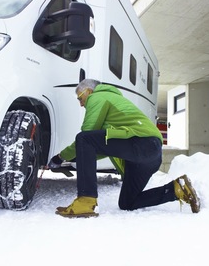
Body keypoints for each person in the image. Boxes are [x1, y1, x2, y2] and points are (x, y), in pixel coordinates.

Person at [48, 79, 200, 218]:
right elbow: (99, 147)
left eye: (80, 98)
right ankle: (177, 189)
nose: (81, 103)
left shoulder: (98, 97)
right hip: (151, 154)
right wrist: (77, 157)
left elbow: (87, 135)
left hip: (142, 143)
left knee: (83, 138)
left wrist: (60, 157)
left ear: (88, 91)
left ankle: (86, 201)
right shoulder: (115, 99)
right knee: (128, 202)